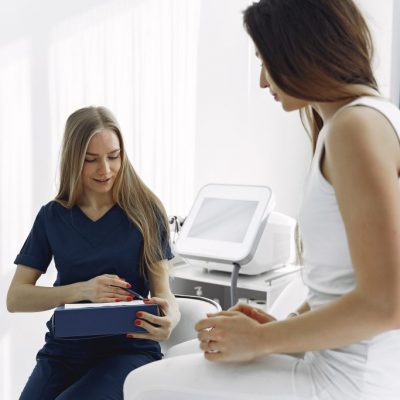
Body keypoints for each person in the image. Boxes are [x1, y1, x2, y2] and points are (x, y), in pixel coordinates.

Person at [123, 0, 400, 399]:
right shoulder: (363, 119)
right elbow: (343, 282)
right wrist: (273, 328)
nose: (261, 81)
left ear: (298, 51)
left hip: (346, 382)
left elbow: (384, 304)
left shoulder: (354, 128)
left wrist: (262, 340)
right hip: (338, 362)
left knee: (140, 383)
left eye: (264, 60)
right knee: (182, 352)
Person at [6, 106, 180, 400]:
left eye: (114, 156)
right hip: (64, 351)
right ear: (74, 160)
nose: (106, 170)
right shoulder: (52, 216)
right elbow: (16, 298)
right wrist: (81, 290)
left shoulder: (146, 212)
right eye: (91, 160)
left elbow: (165, 292)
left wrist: (171, 320)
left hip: (128, 350)